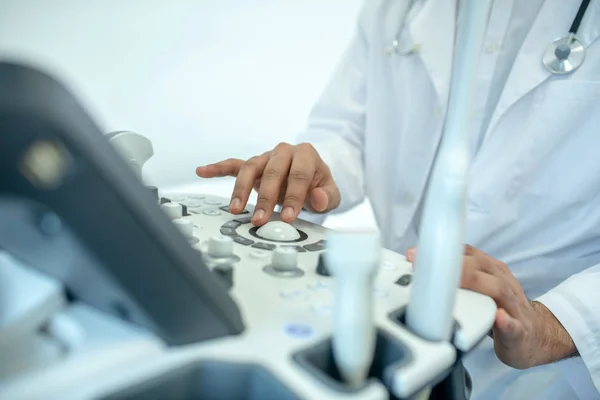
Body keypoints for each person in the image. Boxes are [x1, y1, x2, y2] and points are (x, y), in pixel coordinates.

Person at [196, 1, 600, 398]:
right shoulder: (396, 7)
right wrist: (314, 170)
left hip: (552, 369)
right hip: (399, 326)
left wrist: (553, 326)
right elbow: (346, 130)